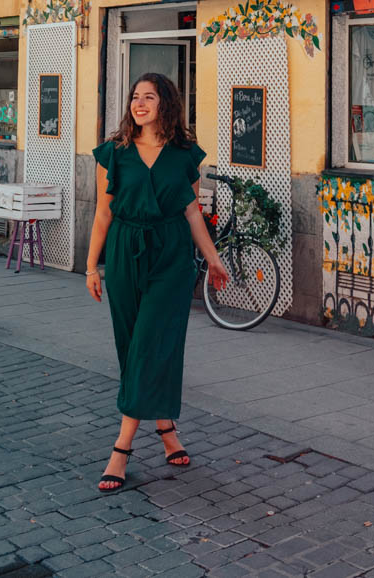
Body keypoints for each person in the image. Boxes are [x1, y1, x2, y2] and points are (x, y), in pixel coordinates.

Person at [85, 72, 229, 493]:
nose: (139, 104)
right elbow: (102, 214)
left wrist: (213, 261)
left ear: (166, 103)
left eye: (149, 97)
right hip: (124, 251)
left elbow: (191, 214)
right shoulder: (113, 153)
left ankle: (121, 448)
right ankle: (166, 429)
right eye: (134, 97)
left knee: (152, 341)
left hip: (170, 255)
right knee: (132, 346)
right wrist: (92, 267)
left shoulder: (185, 155)